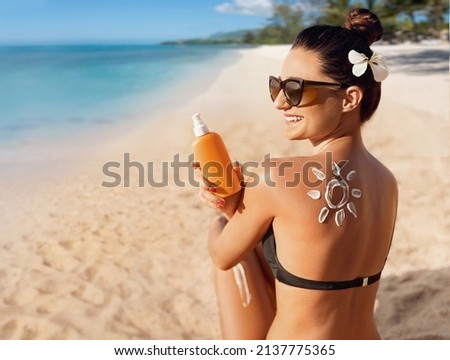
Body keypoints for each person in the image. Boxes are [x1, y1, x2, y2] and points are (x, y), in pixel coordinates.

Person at [195, 8, 398, 340]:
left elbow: (223, 256)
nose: (279, 103)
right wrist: (237, 204)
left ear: (349, 98)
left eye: (295, 89)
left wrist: (224, 212)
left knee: (221, 230)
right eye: (276, 86)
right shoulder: (387, 181)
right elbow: (319, 251)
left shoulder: (278, 176)